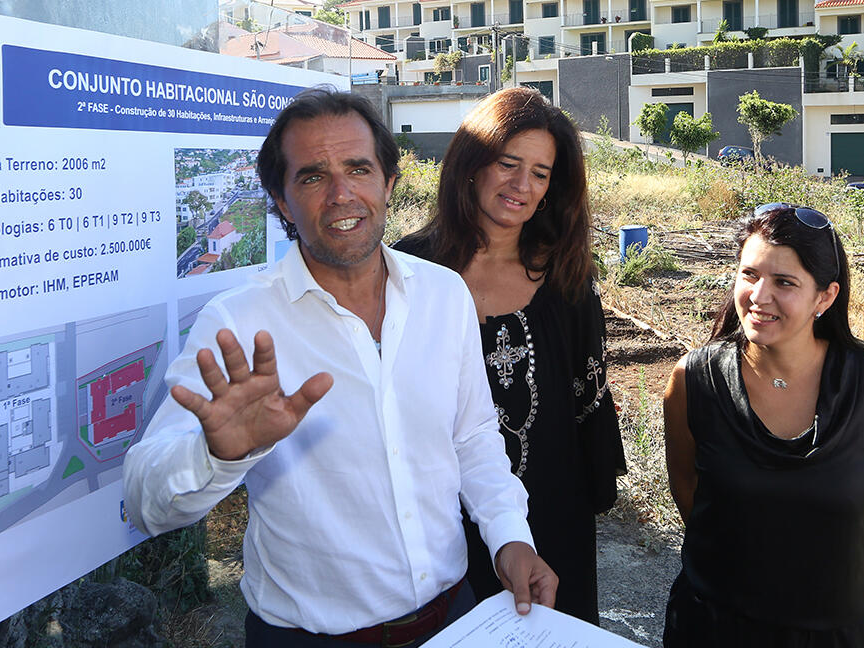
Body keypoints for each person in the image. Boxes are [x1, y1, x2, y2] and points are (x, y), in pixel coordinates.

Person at [123, 88, 557, 648]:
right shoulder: (239, 324)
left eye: (358, 168)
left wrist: (509, 538)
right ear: (281, 202)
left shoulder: (444, 295)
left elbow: (472, 436)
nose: (341, 193)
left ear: (389, 182)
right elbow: (142, 501)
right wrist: (216, 454)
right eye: (311, 177)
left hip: (455, 617)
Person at [394, 87, 626, 624]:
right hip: (438, 517)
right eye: (508, 163)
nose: (523, 186)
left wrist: (584, 498)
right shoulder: (408, 271)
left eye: (541, 173)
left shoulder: (567, 276)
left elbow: (586, 398)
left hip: (551, 511)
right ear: (472, 166)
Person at [662, 203, 864, 647]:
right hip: (718, 627)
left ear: (826, 297)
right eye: (749, 274)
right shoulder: (694, 381)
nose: (759, 296)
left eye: (784, 282)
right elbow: (689, 489)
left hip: (840, 631)